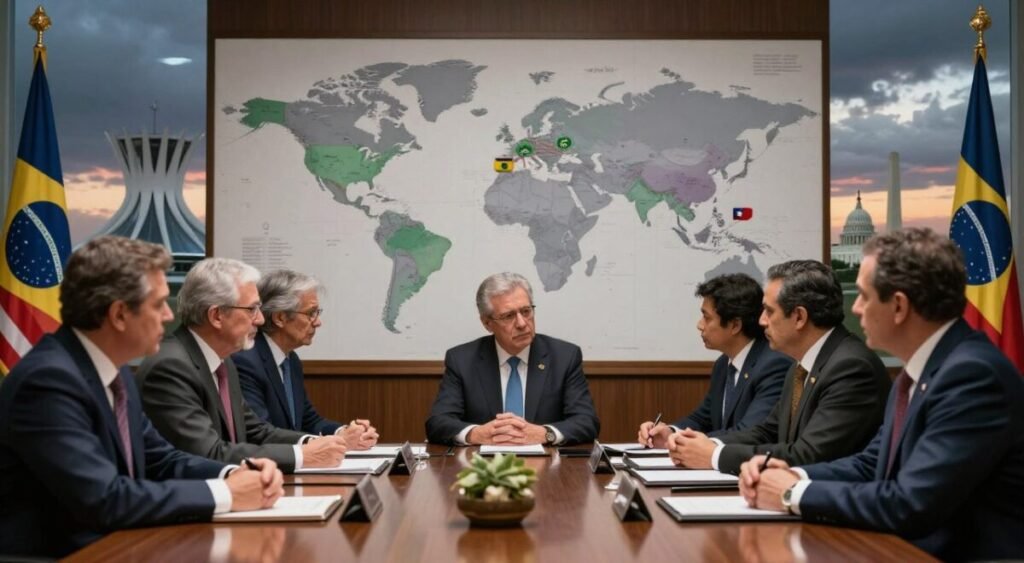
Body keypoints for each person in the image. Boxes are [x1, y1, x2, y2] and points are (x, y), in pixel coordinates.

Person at [739, 228, 1024, 561]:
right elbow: (871, 463)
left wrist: (792, 493)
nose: (856, 308)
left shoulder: (972, 376)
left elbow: (910, 503)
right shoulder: (922, 370)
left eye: (864, 295)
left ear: (899, 306)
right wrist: (793, 474)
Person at [0, 236, 283, 558]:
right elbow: (104, 498)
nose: (169, 315)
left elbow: (161, 458)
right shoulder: (48, 382)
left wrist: (236, 473)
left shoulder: (115, 370)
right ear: (120, 314)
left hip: (118, 545)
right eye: (158, 304)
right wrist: (226, 493)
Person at [668, 260, 890, 474]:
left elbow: (809, 455)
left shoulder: (851, 368)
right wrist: (707, 445)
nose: (761, 321)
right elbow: (767, 431)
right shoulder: (801, 366)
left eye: (769, 311)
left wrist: (715, 455)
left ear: (799, 317)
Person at [137, 257, 348, 473]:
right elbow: (208, 453)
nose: (260, 319)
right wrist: (302, 456)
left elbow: (256, 431)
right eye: (252, 309)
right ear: (217, 316)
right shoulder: (171, 367)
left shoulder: (223, 362)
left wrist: (315, 443)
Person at [425, 272, 599, 445]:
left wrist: (546, 434)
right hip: (483, 461)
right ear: (487, 323)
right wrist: (475, 434)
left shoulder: (564, 357)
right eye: (508, 316)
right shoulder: (462, 360)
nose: (522, 323)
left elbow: (586, 421)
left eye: (526, 311)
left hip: (547, 460)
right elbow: (438, 422)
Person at [637, 274, 790, 446]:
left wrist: (684, 442)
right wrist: (670, 432)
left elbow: (750, 432)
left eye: (707, 317)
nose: (699, 325)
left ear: (735, 325)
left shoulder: (774, 364)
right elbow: (702, 418)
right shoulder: (723, 364)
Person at [233, 269, 378, 448]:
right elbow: (260, 432)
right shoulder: (246, 361)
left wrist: (346, 432)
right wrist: (332, 442)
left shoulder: (291, 361)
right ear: (280, 318)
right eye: (311, 313)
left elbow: (309, 421)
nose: (318, 322)